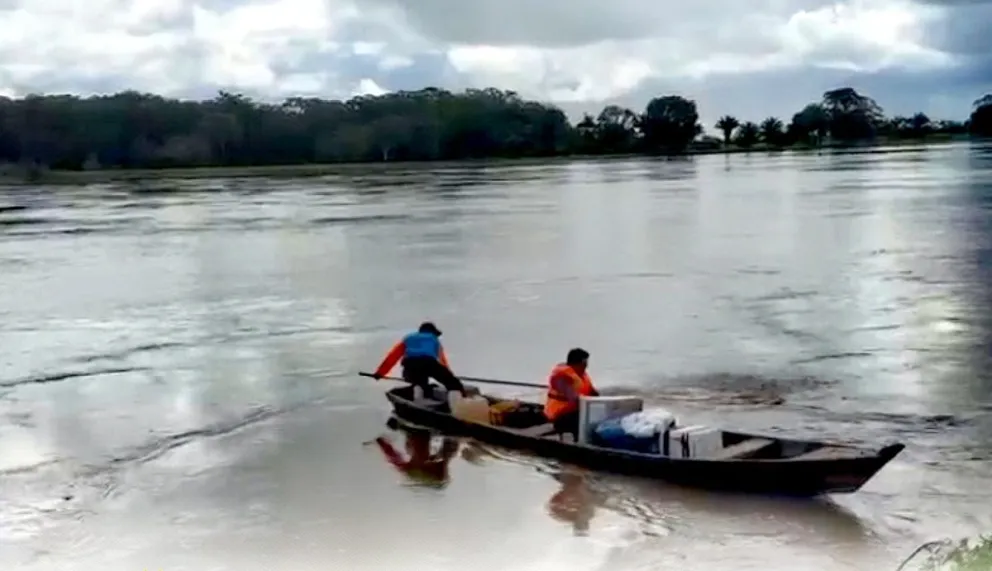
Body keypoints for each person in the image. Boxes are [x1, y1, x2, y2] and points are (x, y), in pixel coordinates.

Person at [371, 322, 468, 397]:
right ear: (432, 332)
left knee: (420, 384)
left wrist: (380, 373)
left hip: (410, 366)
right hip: (429, 363)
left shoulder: (408, 338)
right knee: (453, 384)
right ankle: (460, 400)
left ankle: (418, 390)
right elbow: (443, 362)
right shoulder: (433, 339)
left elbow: (392, 357)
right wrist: (450, 376)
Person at [543, 348, 600, 439]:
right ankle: (582, 443)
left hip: (575, 411)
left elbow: (594, 394)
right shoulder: (561, 378)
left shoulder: (582, 375)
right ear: (577, 363)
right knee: (583, 420)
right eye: (585, 362)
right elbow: (574, 398)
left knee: (598, 416)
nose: (586, 365)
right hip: (560, 415)